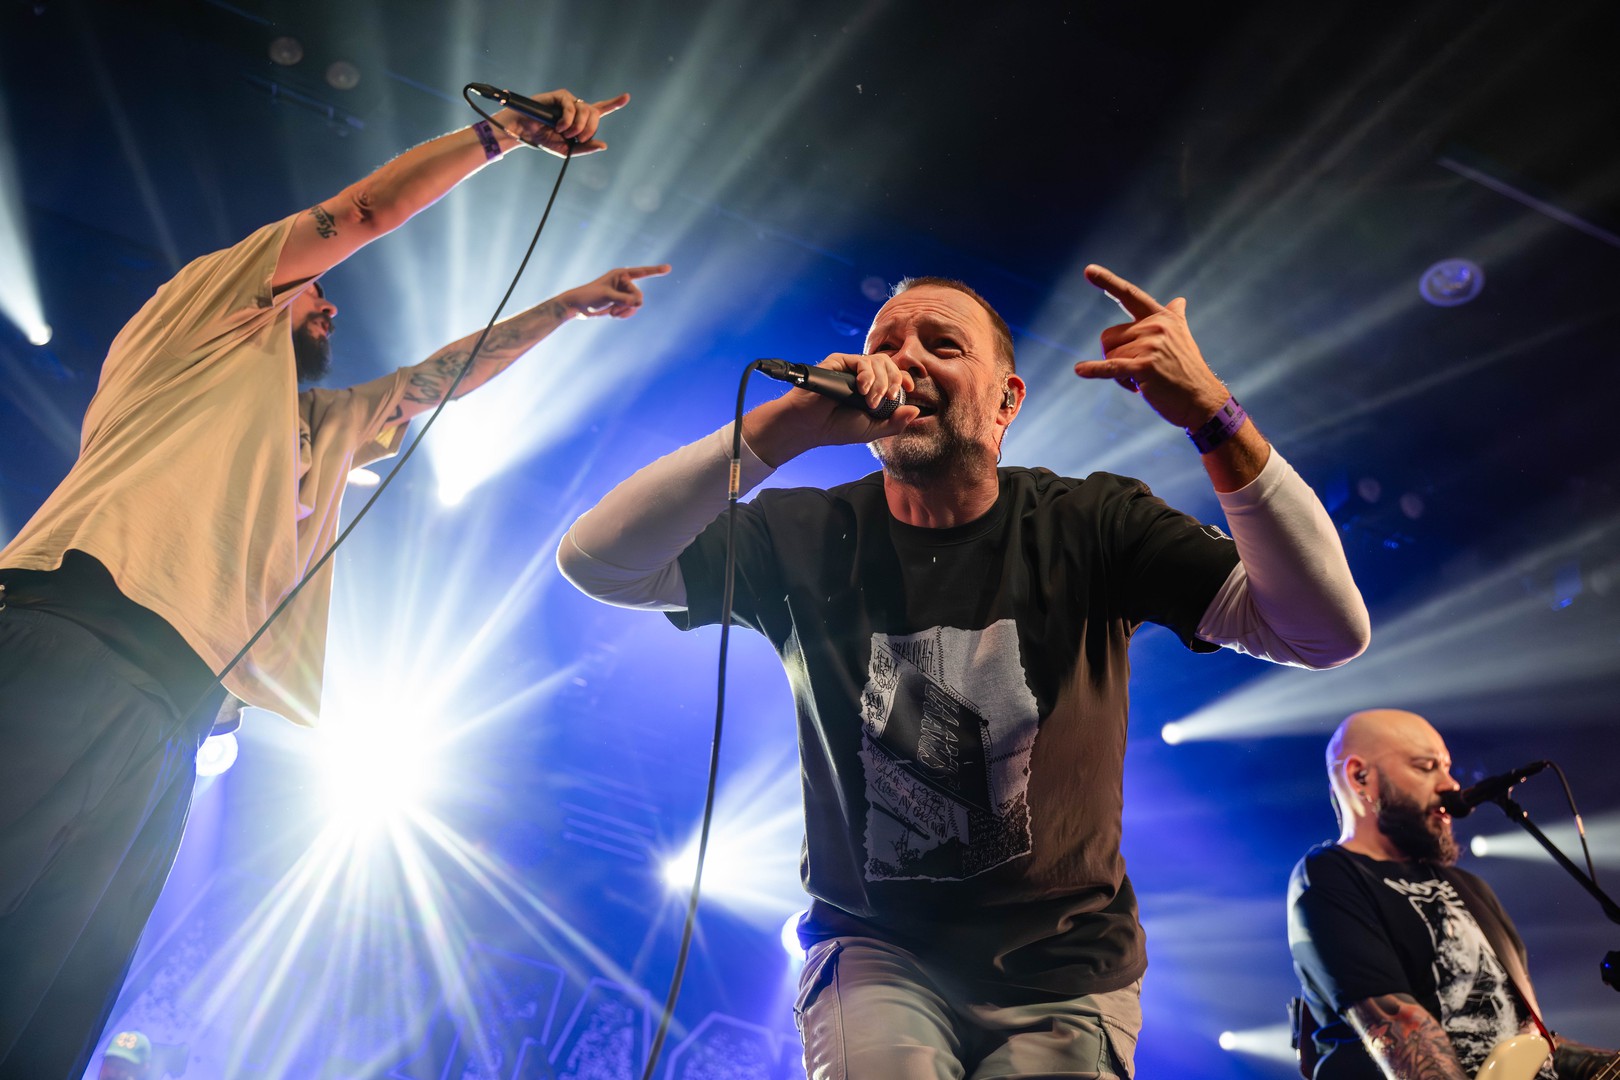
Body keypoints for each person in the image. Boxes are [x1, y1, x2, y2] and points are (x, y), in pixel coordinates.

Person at [0, 87, 668, 1078]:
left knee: (44, 1004)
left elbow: (438, 380)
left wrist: (563, 308)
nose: (334, 301)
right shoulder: (202, 319)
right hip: (71, 639)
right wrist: (505, 133)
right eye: (316, 289)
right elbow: (366, 212)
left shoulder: (315, 427)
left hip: (173, 720)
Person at [558, 267, 1371, 1078]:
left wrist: (1213, 415)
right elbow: (597, 563)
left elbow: (1325, 633)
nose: (905, 359)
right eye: (885, 345)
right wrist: (784, 427)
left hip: (1066, 968)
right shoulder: (803, 534)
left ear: (1006, 401)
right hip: (875, 949)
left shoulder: (1093, 524)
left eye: (942, 345)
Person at [1287, 708, 1618, 1079]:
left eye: (1446, 767)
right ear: (1359, 776)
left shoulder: (1471, 888)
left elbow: (1527, 1040)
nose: (1451, 785)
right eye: (1427, 767)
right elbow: (1402, 1030)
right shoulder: (1331, 876)